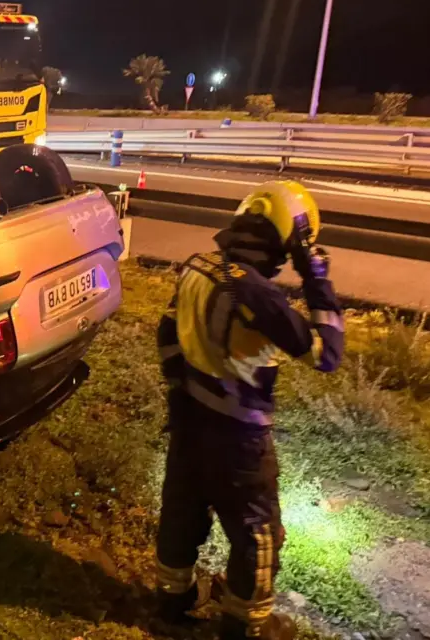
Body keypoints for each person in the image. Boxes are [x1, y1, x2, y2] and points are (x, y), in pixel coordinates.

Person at [154, 181, 344, 640]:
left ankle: (172, 597)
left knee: (182, 511)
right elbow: (325, 354)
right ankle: (246, 624)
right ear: (288, 241)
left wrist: (182, 388)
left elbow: (165, 332)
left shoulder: (196, 267)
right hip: (240, 438)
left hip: (190, 421)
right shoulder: (257, 294)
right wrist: (317, 279)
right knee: (257, 531)